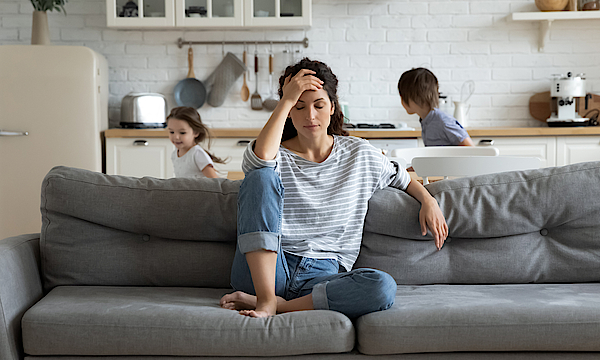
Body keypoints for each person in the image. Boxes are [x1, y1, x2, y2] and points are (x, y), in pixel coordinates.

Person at [219, 58, 448, 319]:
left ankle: (273, 305)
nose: (310, 116)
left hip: (322, 276)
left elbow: (403, 179)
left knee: (382, 286)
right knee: (260, 177)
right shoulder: (274, 154)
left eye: (318, 105)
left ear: (332, 107)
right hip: (267, 267)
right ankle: (266, 296)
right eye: (299, 106)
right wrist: (285, 99)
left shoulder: (358, 154)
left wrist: (428, 200)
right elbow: (259, 162)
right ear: (289, 111)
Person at [398, 67, 474, 146]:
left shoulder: (442, 121)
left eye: (403, 96)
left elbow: (471, 148)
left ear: (415, 97)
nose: (402, 101)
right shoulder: (426, 120)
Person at [166, 106, 226, 178]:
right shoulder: (174, 154)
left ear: (196, 132)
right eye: (172, 132)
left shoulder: (197, 154)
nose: (176, 137)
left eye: (182, 133)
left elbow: (215, 180)